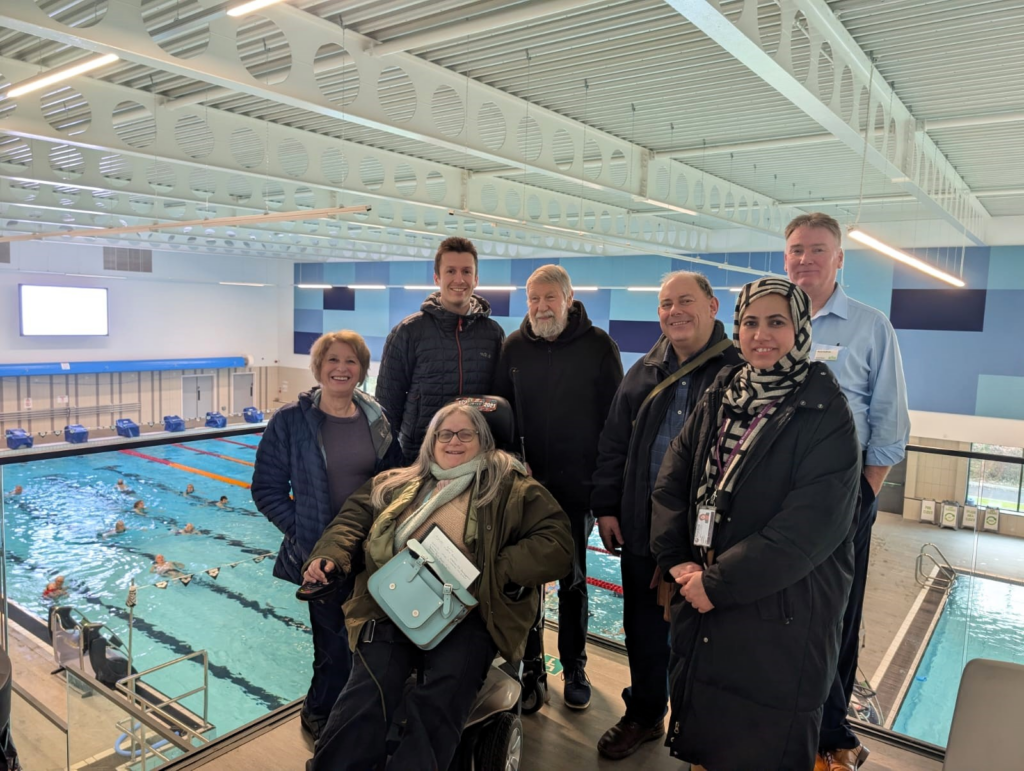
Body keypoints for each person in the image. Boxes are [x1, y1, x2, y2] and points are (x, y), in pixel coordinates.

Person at [650, 277, 860, 771]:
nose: (760, 335)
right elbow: (671, 482)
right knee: (707, 733)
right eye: (749, 323)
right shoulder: (723, 392)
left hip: (781, 613)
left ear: (801, 329)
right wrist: (678, 559)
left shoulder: (826, 412)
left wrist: (717, 584)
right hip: (701, 592)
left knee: (763, 743)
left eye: (776, 322)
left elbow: (808, 530)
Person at [303, 403, 572, 771]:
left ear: (483, 440)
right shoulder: (398, 482)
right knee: (369, 688)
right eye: (444, 434)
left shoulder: (511, 486)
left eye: (466, 434)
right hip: (396, 601)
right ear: (431, 441)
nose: (454, 442)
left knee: (444, 693)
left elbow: (557, 545)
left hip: (472, 610)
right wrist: (331, 555)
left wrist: (491, 570)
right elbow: (352, 518)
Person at [591, 271, 741, 759]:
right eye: (664, 304)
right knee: (643, 629)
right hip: (643, 530)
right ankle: (646, 713)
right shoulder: (644, 371)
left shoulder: (738, 372)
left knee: (710, 638)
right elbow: (613, 443)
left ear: (713, 306)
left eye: (685, 301)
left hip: (710, 540)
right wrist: (606, 508)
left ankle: (702, 727)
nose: (673, 311)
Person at [783, 212, 910, 771]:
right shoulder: (771, 322)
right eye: (795, 250)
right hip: (775, 497)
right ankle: (786, 716)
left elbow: (890, 420)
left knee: (837, 613)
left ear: (839, 259)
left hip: (843, 497)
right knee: (779, 608)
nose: (804, 259)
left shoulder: (868, 325)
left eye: (817, 249)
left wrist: (864, 492)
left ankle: (830, 730)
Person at [252, 330, 402, 741]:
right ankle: (319, 715)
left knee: (369, 644)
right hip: (321, 557)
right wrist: (309, 536)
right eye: (332, 360)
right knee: (333, 649)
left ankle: (357, 715)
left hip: (370, 550)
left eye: (351, 361)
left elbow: (394, 479)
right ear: (317, 367)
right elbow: (266, 490)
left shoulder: (375, 418)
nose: (341, 368)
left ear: (362, 370)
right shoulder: (291, 422)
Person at [493, 264, 623, 710]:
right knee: (528, 579)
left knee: (572, 581)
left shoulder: (599, 348)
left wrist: (604, 494)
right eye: (534, 299)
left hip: (575, 489)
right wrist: (511, 458)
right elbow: (498, 416)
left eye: (550, 298)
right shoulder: (513, 348)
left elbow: (615, 426)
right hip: (525, 489)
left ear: (569, 299)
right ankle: (532, 668)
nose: (541, 307)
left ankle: (575, 665)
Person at [376, 236, 505, 463]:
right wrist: (390, 462)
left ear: (476, 279)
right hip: (418, 458)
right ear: (437, 277)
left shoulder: (492, 334)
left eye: (466, 272)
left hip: (475, 456)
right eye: (450, 271)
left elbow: (498, 400)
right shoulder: (409, 331)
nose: (459, 279)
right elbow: (387, 405)